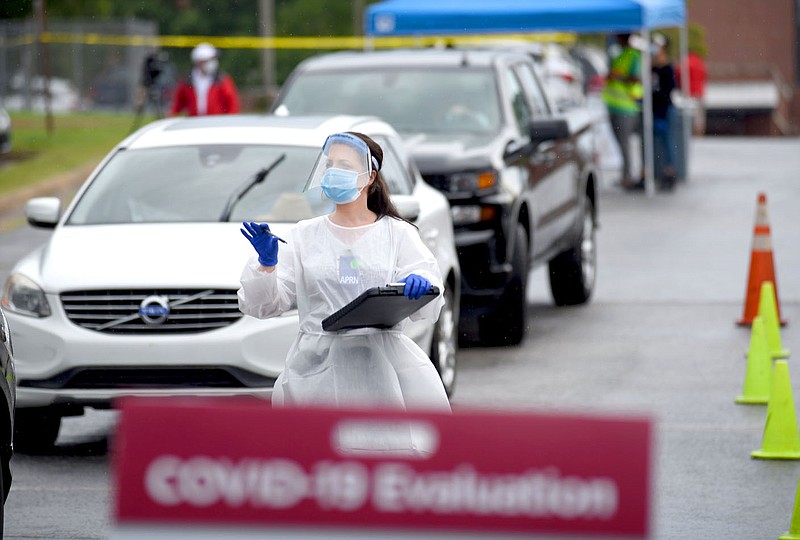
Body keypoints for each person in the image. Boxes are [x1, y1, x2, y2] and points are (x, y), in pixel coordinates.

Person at [238, 132, 451, 419]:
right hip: (316, 374)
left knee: (383, 452)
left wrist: (421, 285)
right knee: (319, 455)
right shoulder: (304, 236)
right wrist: (266, 264)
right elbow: (262, 305)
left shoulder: (398, 233)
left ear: (370, 175)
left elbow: (428, 287)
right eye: (330, 164)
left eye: (346, 165)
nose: (334, 171)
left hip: (384, 373)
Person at [602, 33, 644, 191]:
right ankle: (625, 175)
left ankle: (628, 176)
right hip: (614, 105)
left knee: (625, 144)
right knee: (620, 144)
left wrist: (618, 77)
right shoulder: (618, 55)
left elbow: (636, 78)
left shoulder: (633, 55)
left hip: (626, 106)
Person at [169, 42, 240, 116]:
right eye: (208, 60)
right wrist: (172, 115)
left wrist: (230, 120)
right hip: (194, 122)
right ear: (198, 62)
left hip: (217, 122)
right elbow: (178, 104)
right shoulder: (188, 80)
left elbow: (232, 102)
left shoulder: (221, 79)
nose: (212, 62)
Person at [650, 34, 677, 190]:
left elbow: (668, 91)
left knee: (667, 142)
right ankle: (658, 172)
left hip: (664, 110)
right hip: (655, 110)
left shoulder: (667, 68)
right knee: (655, 142)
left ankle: (669, 172)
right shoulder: (652, 67)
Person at [676, 48, 707, 136]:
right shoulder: (699, 62)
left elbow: (678, 74)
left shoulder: (685, 62)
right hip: (699, 92)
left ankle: (689, 134)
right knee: (698, 117)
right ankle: (699, 134)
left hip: (688, 92)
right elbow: (704, 75)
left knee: (687, 115)